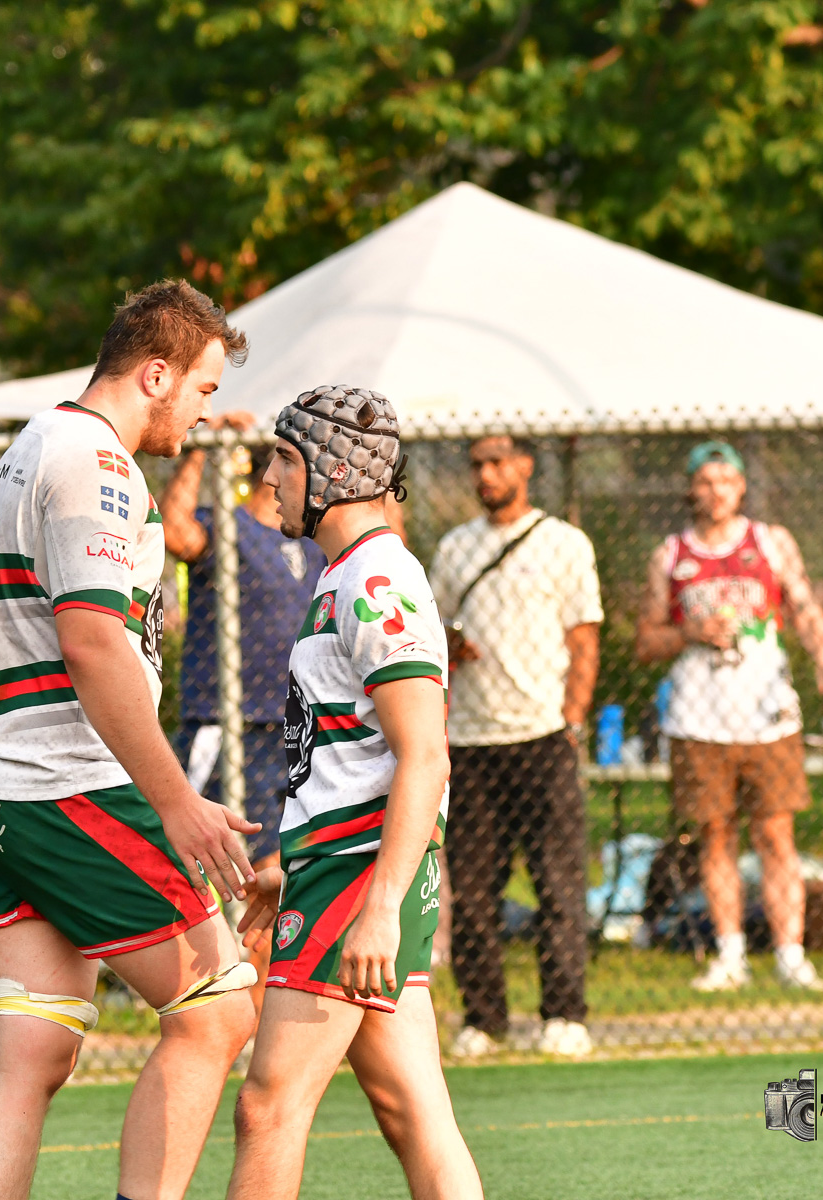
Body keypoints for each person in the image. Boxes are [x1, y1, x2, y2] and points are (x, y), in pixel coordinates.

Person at [0, 280, 261, 1200]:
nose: (202, 412)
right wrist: (176, 803)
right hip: (59, 790)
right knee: (220, 1011)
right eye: (199, 389)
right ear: (156, 373)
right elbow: (91, 641)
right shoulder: (99, 464)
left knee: (30, 1050)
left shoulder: (37, 441)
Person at [227, 385, 481, 1200]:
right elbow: (350, 757)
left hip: (360, 877)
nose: (269, 478)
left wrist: (376, 902)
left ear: (332, 470)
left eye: (285, 459)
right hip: (341, 869)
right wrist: (289, 864)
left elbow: (425, 757)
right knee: (411, 1111)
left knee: (268, 1107)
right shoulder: (349, 574)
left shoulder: (376, 581)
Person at [636, 441, 823, 993]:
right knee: (716, 836)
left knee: (777, 834)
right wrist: (691, 631)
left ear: (741, 487)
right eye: (705, 482)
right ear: (691, 488)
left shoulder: (770, 543)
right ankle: (730, 953)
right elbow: (646, 640)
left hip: (766, 715)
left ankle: (790, 952)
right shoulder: (671, 553)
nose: (716, 492)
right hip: (699, 718)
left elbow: (803, 608)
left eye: (726, 480)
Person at [430, 435, 602, 1058]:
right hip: (474, 741)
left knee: (558, 885)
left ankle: (564, 1014)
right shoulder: (456, 547)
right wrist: (452, 643)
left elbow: (584, 641)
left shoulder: (562, 542)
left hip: (542, 736)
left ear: (525, 467)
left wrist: (572, 722)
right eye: (477, 465)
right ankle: (484, 1018)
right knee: (473, 889)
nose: (486, 474)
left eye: (497, 462)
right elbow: (431, 631)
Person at [160, 412, 326, 1006]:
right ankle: (189, 990)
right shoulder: (230, 528)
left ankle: (252, 1013)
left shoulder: (313, 545)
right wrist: (202, 449)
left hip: (291, 735)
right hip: (222, 725)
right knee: (189, 866)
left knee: (270, 881)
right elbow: (175, 529)